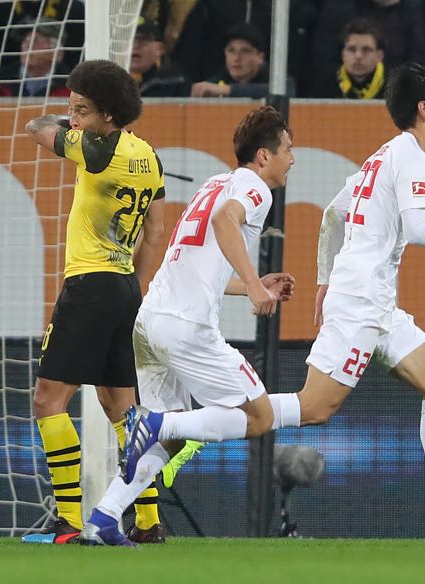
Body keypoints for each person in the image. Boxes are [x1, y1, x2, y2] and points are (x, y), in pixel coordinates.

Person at [89, 64, 425, 545]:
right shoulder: (400, 160)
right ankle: (163, 425)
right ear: (424, 109)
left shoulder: (376, 158)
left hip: (354, 302)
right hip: (357, 303)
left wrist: (318, 282)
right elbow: (414, 228)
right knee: (299, 410)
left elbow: (332, 214)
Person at [78, 105, 296, 546]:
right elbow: (224, 222)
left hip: (151, 321)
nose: (293, 158)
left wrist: (250, 285)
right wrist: (255, 286)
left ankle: (103, 518)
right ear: (263, 156)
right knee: (259, 416)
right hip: (186, 328)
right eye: (288, 149)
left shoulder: (214, 183)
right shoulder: (255, 187)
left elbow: (200, 262)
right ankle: (158, 425)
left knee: (171, 438)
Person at [22, 59, 167, 544]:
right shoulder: (148, 155)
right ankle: (147, 521)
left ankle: (68, 520)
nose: (74, 117)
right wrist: (135, 288)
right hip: (124, 286)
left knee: (48, 401)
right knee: (122, 410)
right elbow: (155, 231)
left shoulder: (95, 150)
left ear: (108, 114)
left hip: (89, 285)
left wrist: (66, 125)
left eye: (82, 109)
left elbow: (34, 128)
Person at [191, 22, 295, 99]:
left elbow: (287, 91)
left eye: (245, 51)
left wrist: (228, 90)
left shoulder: (275, 79)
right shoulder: (218, 79)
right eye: (231, 51)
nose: (236, 58)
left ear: (260, 58)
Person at [0, 19, 70, 98]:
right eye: (25, 40)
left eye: (36, 41)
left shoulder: (72, 87)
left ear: (57, 52)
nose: (27, 46)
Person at [310, 17, 388, 99]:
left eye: (366, 50)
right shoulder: (324, 85)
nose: (358, 56)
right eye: (352, 49)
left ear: (379, 56)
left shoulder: (395, 87)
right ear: (343, 54)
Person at [129, 19, 190, 98]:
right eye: (129, 39)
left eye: (143, 40)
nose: (135, 45)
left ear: (160, 48)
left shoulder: (175, 83)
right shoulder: (111, 81)